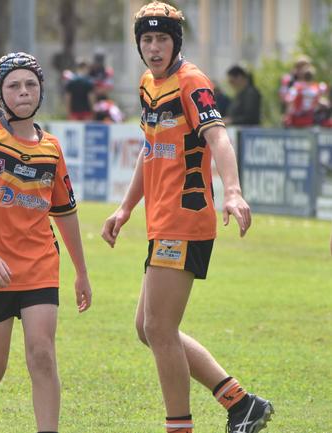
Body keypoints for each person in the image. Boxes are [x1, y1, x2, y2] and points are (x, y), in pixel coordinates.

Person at [101, 3, 273, 433]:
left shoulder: (191, 81)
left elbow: (218, 136)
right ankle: (241, 403)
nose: (154, 48)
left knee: (159, 327)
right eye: (147, 39)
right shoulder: (147, 85)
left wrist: (232, 191)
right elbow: (149, 147)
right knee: (148, 328)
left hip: (186, 218)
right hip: (160, 221)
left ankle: (179, 426)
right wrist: (126, 207)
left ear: (176, 42)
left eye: (162, 39)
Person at [0, 52, 92, 433]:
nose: (24, 91)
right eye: (14, 85)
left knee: (43, 355)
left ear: (41, 90)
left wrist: (81, 272)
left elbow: (65, 213)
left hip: (39, 265)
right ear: (0, 93)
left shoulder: (52, 148)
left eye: (31, 84)